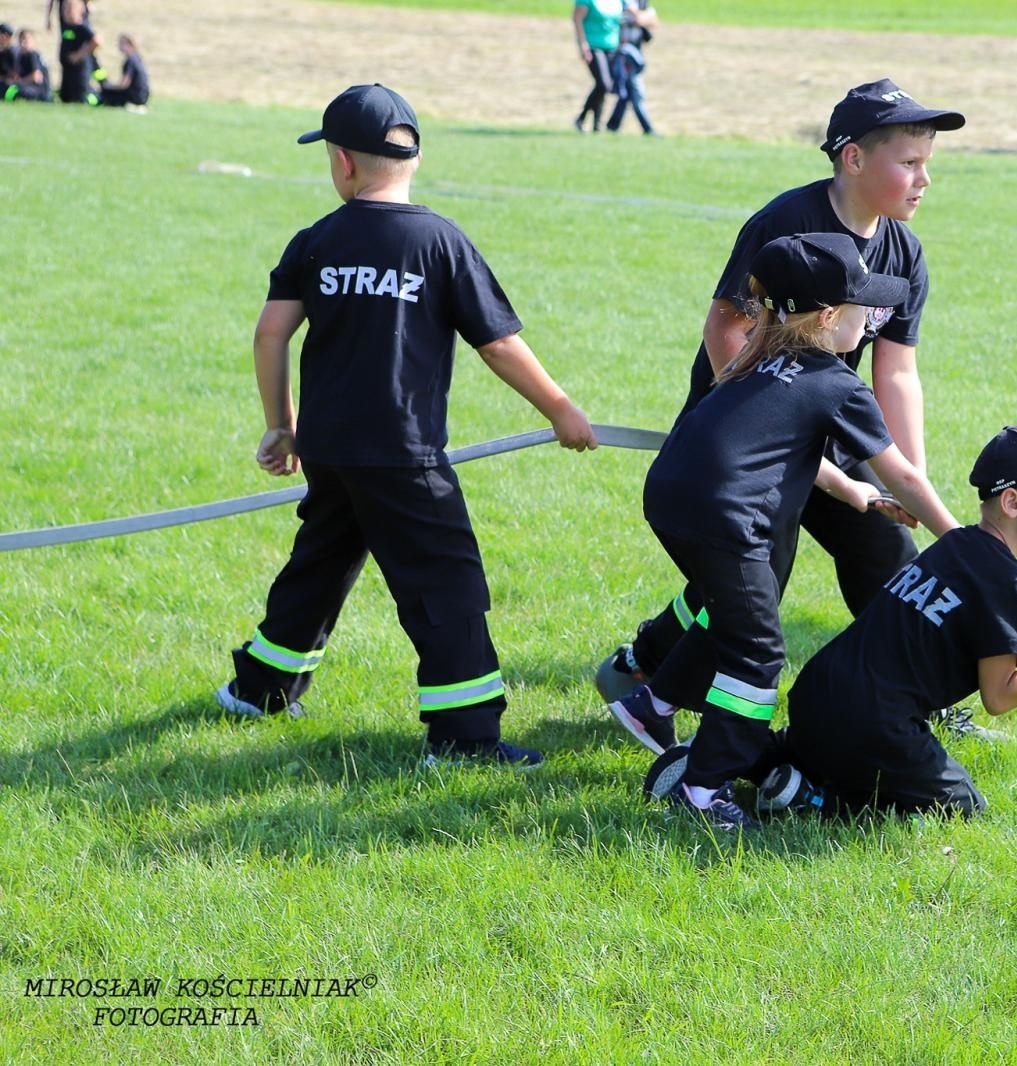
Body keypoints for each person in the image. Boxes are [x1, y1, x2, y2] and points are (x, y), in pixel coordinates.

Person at [215, 84, 599, 769]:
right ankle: (464, 739)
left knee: (324, 559)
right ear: (413, 159)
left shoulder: (317, 241)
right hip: (402, 454)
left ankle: (261, 687)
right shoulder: (440, 242)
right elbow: (498, 344)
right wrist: (561, 409)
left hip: (331, 449)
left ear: (342, 163)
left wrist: (282, 425)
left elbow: (271, 333)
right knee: (446, 586)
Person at [593, 80, 969, 728]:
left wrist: (908, 474)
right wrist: (773, 426)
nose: (924, 178)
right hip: (753, 441)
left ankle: (925, 706)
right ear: (852, 158)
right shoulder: (786, 224)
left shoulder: (904, 253)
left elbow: (897, 369)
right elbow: (727, 330)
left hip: (830, 424)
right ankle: (654, 678)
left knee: (887, 560)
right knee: (755, 584)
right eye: (909, 162)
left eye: (927, 162)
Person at [624, 232, 962, 829]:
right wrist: (961, 543)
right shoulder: (836, 382)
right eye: (865, 308)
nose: (874, 317)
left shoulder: (757, 353)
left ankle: (653, 703)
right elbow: (905, 475)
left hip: (671, 497)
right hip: (726, 520)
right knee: (757, 651)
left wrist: (851, 489)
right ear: (830, 317)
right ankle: (702, 789)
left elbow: (783, 443)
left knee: (730, 618)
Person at [752, 426, 1017, 819]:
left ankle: (757, 761)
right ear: (1012, 502)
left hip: (818, 692)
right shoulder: (1007, 580)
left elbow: (952, 628)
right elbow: (1000, 697)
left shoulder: (955, 546)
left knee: (825, 748)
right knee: (962, 805)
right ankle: (813, 800)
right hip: (874, 724)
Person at [572, 0, 626, 133]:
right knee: (604, 84)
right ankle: (581, 118)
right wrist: (582, 44)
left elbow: (620, 21)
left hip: (612, 46)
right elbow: (577, 18)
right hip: (593, 46)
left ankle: (597, 124)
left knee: (601, 87)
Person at [605, 0, 657, 134]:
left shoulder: (642, 2)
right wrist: (646, 15)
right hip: (622, 51)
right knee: (635, 90)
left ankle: (612, 126)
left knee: (627, 91)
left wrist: (645, 16)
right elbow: (640, 18)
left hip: (636, 50)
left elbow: (653, 21)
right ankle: (647, 128)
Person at [55, 0, 99, 103]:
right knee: (65, 98)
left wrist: (78, 55)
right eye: (64, 9)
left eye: (70, 10)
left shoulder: (81, 27)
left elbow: (97, 40)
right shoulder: (67, 27)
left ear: (80, 11)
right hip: (68, 69)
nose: (66, 12)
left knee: (80, 98)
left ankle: (98, 98)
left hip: (79, 71)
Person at [97, 32, 146, 108]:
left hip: (133, 98)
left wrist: (108, 87)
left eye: (121, 43)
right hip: (142, 97)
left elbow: (124, 85)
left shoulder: (130, 61)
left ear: (129, 44)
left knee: (104, 94)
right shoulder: (137, 58)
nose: (118, 46)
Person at [5, 27, 51, 101]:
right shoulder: (21, 56)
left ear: (33, 41)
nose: (23, 42)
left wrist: (19, 82)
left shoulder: (33, 55)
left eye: (26, 39)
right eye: (21, 39)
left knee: (18, 91)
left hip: (39, 90)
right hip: (28, 86)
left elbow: (36, 77)